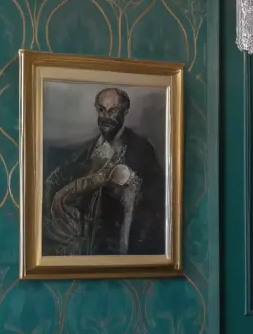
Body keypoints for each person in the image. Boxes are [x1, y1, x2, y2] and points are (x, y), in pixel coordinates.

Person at [42, 86, 166, 257]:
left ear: (125, 111)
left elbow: (157, 199)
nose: (106, 116)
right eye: (102, 110)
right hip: (86, 244)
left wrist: (134, 194)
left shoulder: (142, 149)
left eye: (113, 110)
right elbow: (62, 182)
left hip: (117, 243)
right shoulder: (86, 151)